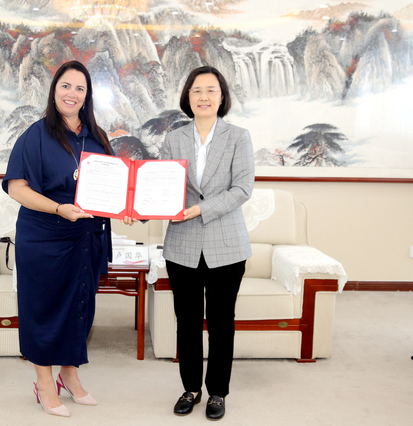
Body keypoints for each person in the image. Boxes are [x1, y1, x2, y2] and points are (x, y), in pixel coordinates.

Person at [2, 60, 115, 418]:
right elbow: (17, 188)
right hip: (44, 236)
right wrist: (57, 208)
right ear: (54, 91)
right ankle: (44, 383)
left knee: (79, 308)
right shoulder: (35, 135)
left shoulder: (97, 137)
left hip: (85, 238)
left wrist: (125, 207)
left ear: (87, 96)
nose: (72, 93)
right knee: (43, 309)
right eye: (66, 85)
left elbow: (115, 188)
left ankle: (70, 374)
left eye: (80, 88)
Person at [160, 66, 255, 421]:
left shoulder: (239, 137)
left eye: (211, 90)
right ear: (187, 97)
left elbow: (242, 188)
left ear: (222, 96)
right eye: (196, 90)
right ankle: (191, 388)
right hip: (182, 244)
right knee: (186, 322)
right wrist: (138, 211)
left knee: (221, 322)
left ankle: (217, 392)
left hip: (227, 244)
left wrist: (200, 209)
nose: (203, 96)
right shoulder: (174, 139)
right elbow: (162, 186)